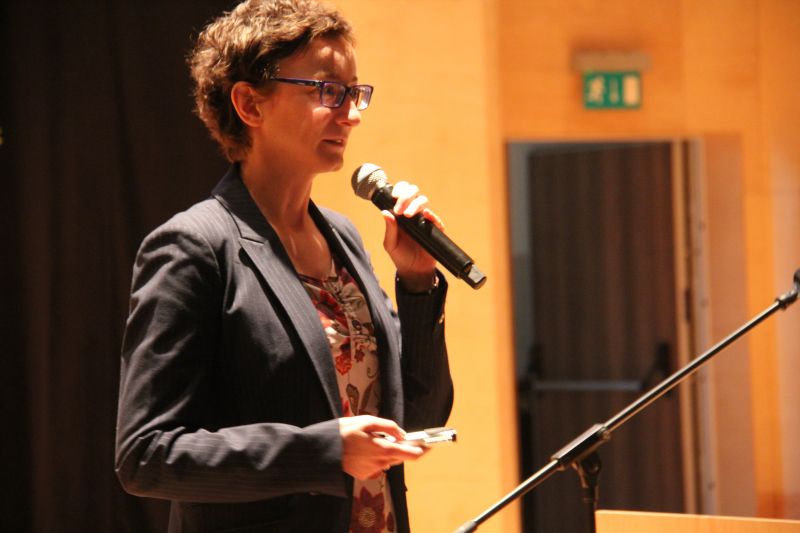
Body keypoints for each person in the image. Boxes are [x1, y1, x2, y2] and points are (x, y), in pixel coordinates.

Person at [114, 1, 453, 532]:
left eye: (354, 93)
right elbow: (147, 455)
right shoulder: (194, 247)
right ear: (250, 104)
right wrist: (322, 450)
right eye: (328, 91)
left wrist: (417, 282)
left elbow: (418, 417)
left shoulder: (342, 237)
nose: (352, 114)